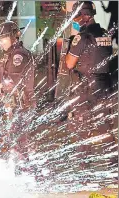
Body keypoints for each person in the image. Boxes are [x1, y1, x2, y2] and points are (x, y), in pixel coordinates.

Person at [65, 1, 116, 170]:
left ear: (83, 16)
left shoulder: (82, 37)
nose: (75, 20)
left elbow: (69, 64)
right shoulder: (104, 34)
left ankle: (84, 168)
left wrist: (71, 43)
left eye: (77, 16)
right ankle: (114, 167)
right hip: (103, 87)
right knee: (104, 127)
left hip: (86, 88)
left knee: (82, 127)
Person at [0, 21, 36, 165]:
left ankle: (25, 172)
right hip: (13, 105)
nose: (1, 42)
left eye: (3, 38)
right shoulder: (7, 55)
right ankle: (20, 170)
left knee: (18, 141)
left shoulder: (19, 55)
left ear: (13, 37)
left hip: (22, 104)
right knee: (13, 141)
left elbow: (14, 82)